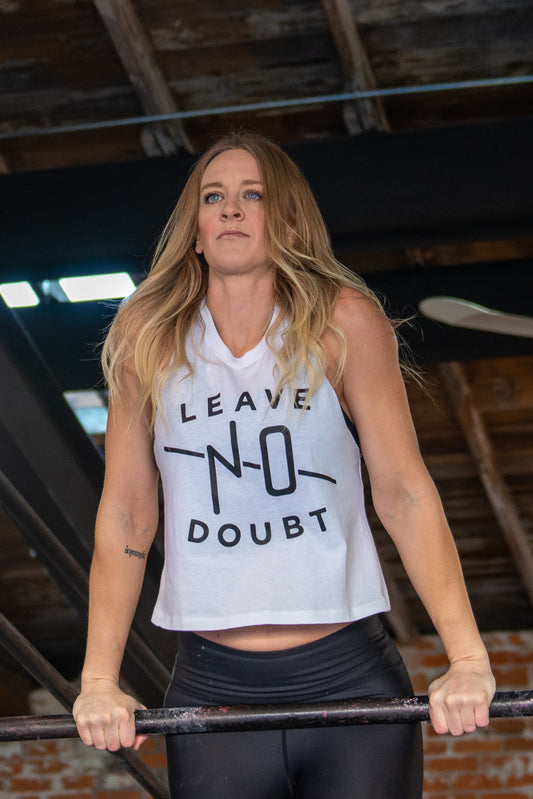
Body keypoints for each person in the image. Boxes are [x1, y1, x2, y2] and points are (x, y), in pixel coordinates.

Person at [73, 132, 495, 798]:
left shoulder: (342, 321)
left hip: (348, 680)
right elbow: (127, 509)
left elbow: (403, 492)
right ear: (196, 231)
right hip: (212, 685)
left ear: (289, 223)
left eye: (253, 196)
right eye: (214, 198)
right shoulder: (145, 337)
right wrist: (99, 677)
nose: (231, 209)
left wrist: (467, 659)